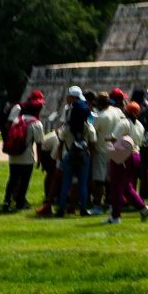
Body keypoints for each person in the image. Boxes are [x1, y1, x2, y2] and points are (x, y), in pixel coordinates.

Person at [0, 92, 42, 212]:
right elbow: (39, 143)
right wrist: (39, 160)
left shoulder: (17, 120)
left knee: (12, 179)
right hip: (27, 156)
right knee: (24, 181)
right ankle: (20, 202)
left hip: (14, 155)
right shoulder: (36, 123)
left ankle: (6, 201)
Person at [56, 88, 93, 217]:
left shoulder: (66, 128)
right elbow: (92, 142)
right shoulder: (88, 127)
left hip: (69, 155)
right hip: (83, 156)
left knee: (66, 184)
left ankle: (61, 209)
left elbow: (60, 143)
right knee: (83, 184)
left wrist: (60, 159)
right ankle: (83, 208)